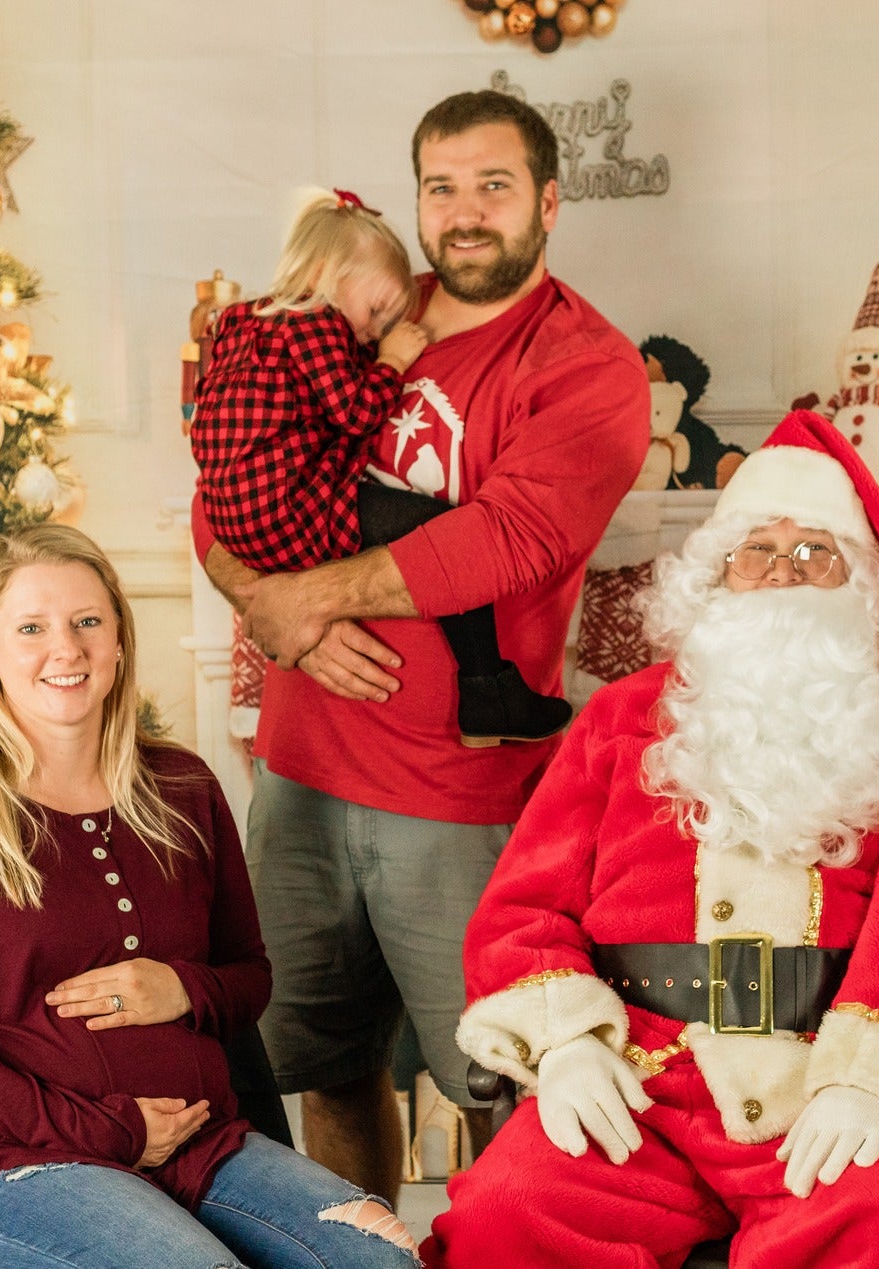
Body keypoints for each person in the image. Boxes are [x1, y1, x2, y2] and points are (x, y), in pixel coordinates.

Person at [192, 89, 651, 1201]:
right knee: (328, 1073)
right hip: (299, 782)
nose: (464, 213)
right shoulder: (355, 312)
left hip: (461, 798)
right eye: (440, 187)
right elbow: (228, 479)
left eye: (493, 185)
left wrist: (312, 599)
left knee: (505, 1092)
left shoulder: (587, 367)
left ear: (547, 200)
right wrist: (272, 609)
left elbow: (509, 539)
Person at [423, 412, 879, 1267]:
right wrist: (565, 1045)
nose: (782, 574)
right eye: (757, 552)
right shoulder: (626, 713)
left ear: (867, 586)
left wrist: (877, 1079)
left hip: (824, 1080)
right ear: (718, 577)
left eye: (816, 553)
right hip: (642, 1081)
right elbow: (527, 899)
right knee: (506, 1212)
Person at [0, 525, 418, 1269]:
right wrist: (108, 1129)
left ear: (119, 638)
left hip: (197, 1146)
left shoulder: (183, 787)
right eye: (31, 628)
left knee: (380, 1256)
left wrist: (180, 986)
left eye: (87, 621)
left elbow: (249, 975)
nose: (66, 648)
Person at [191, 186, 570, 746]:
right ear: (324, 271)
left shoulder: (238, 323)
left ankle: (488, 694)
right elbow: (355, 409)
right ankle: (487, 691)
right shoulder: (314, 323)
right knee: (443, 535)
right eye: (374, 314)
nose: (368, 336)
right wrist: (392, 360)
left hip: (238, 518)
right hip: (292, 511)